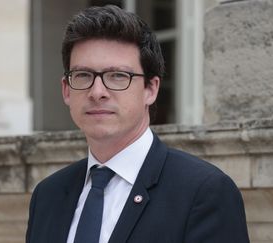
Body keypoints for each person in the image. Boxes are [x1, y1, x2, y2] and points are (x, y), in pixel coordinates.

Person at [26, 5, 249, 243]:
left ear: (151, 89)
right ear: (66, 90)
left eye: (118, 76)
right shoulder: (47, 195)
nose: (97, 92)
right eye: (83, 75)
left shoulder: (204, 192)